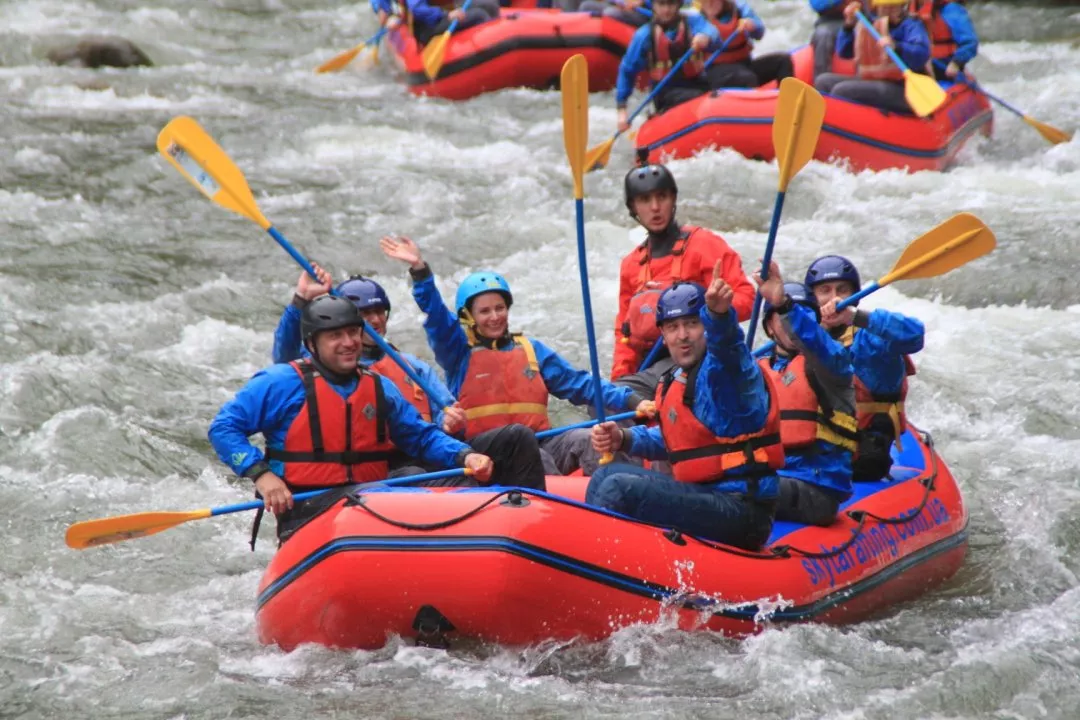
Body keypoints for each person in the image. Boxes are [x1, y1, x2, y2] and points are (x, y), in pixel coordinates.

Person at [208, 295, 498, 543]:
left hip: (372, 503)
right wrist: (261, 474)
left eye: (352, 333)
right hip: (308, 509)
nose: (348, 343)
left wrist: (464, 456)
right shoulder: (279, 382)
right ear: (311, 343)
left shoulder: (379, 386)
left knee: (462, 486)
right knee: (381, 495)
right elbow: (223, 429)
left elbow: (420, 436)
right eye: (335, 335)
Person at [381, 235, 656, 476]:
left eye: (499, 308)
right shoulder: (457, 352)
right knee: (533, 453)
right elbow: (439, 319)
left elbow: (581, 384)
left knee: (587, 440)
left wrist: (633, 400)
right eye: (485, 311)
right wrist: (420, 273)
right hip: (488, 453)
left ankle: (623, 497)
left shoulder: (530, 350)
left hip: (541, 441)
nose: (495, 316)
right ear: (469, 317)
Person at [585, 274, 784, 549]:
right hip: (704, 495)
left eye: (692, 323)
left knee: (617, 488)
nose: (683, 335)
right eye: (673, 327)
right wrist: (624, 438)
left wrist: (719, 316)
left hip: (742, 510)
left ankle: (603, 564)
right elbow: (675, 441)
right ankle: (602, 560)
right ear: (663, 337)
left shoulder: (729, 373)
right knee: (605, 476)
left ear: (706, 327)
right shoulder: (677, 379)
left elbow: (730, 351)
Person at [272, 266, 466, 477]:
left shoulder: (414, 367)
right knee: (413, 472)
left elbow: (443, 417)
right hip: (375, 468)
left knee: (502, 440)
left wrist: (449, 423)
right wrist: (300, 301)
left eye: (379, 311)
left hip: (424, 456)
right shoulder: (327, 366)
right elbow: (285, 353)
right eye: (365, 313)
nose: (375, 320)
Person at [611, 163, 755, 406]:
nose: (655, 207)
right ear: (633, 208)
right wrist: (620, 383)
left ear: (673, 199)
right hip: (655, 367)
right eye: (645, 200)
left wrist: (716, 309)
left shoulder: (705, 245)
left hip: (705, 357)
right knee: (608, 400)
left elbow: (747, 298)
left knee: (672, 388)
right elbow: (624, 335)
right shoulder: (631, 265)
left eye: (662, 197)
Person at [804, 255, 924, 482]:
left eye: (842, 290)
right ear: (813, 299)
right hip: (808, 455)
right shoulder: (803, 338)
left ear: (855, 296)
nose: (835, 298)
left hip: (860, 458)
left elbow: (915, 335)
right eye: (825, 291)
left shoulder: (872, 342)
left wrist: (856, 317)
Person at [755, 270, 858, 527]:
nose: (791, 325)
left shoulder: (832, 364)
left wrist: (784, 306)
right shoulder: (755, 371)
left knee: (743, 487)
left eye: (804, 314)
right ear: (769, 326)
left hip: (815, 489)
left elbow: (816, 342)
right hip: (772, 478)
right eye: (783, 318)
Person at [814, 0, 932, 115]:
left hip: (904, 88)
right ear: (876, 8)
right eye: (885, 7)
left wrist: (896, 46)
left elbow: (921, 54)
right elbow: (844, 52)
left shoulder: (911, 25)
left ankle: (841, 123)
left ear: (902, 6)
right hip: (873, 80)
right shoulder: (868, 24)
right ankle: (821, 122)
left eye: (894, 7)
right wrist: (848, 25)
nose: (890, 11)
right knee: (823, 81)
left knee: (841, 90)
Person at [614, 0, 721, 125]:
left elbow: (714, 35)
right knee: (697, 97)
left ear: (678, 5)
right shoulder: (644, 35)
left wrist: (706, 37)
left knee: (713, 95)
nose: (666, 10)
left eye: (671, 4)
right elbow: (627, 71)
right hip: (665, 91)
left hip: (698, 83)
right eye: (661, 4)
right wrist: (622, 108)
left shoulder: (693, 22)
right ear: (654, 6)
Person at [698, 0, 794, 89]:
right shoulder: (696, 18)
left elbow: (759, 33)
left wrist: (752, 26)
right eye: (706, 1)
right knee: (747, 78)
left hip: (744, 64)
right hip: (716, 72)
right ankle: (756, 106)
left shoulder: (739, 8)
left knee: (783, 61)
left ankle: (788, 101)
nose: (711, 4)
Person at [913, 0, 978, 81]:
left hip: (945, 67)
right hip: (919, 68)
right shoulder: (906, 10)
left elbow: (970, 42)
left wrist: (956, 63)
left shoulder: (951, 9)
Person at [808, 0, 862, 81]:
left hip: (857, 18)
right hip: (828, 22)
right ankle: (821, 84)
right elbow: (817, 4)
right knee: (823, 34)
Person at [406, 0, 501, 46]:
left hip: (439, 17)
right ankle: (491, 47)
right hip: (428, 28)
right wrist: (445, 14)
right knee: (479, 15)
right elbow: (417, 10)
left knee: (490, 6)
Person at [558, 0, 649, 28]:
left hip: (641, 13)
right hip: (619, 6)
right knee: (586, 6)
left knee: (609, 13)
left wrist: (640, 3)